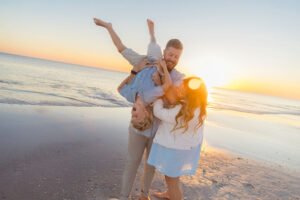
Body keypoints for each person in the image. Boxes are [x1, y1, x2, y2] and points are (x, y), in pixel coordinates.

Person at [94, 18, 185, 200]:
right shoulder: (146, 61)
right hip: (138, 125)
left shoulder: (178, 77)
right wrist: (108, 28)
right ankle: (123, 196)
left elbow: (174, 98)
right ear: (164, 52)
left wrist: (162, 78)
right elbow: (121, 48)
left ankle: (144, 196)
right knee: (132, 163)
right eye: (170, 54)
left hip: (158, 129)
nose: (172, 59)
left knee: (150, 165)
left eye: (176, 57)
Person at [147, 75, 208, 200]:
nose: (179, 90)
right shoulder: (198, 109)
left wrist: (159, 99)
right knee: (174, 175)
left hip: (176, 150)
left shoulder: (181, 110)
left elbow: (159, 112)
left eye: (182, 89)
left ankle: (173, 194)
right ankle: (169, 193)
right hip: (186, 148)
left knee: (171, 180)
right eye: (180, 87)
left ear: (191, 94)